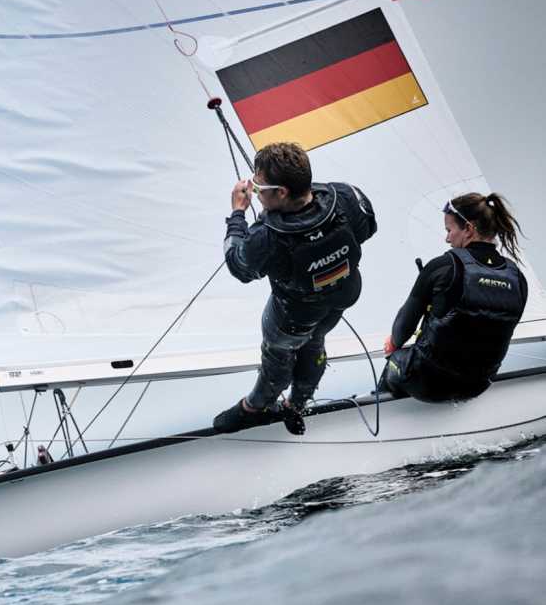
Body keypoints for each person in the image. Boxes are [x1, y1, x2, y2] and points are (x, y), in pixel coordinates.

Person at [213, 142, 377, 434]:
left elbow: (239, 267)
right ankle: (297, 405)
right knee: (315, 341)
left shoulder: (266, 237)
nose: (255, 191)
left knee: (278, 355)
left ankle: (256, 406)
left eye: (259, 186)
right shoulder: (346, 196)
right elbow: (368, 228)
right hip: (342, 297)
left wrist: (238, 213)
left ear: (282, 192)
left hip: (292, 317)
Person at [380, 192, 527, 402]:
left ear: (468, 228)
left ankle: (383, 418)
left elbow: (404, 326)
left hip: (427, 383)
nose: (447, 238)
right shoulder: (517, 278)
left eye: (449, 230)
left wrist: (394, 342)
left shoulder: (443, 266)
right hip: (478, 385)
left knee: (395, 359)